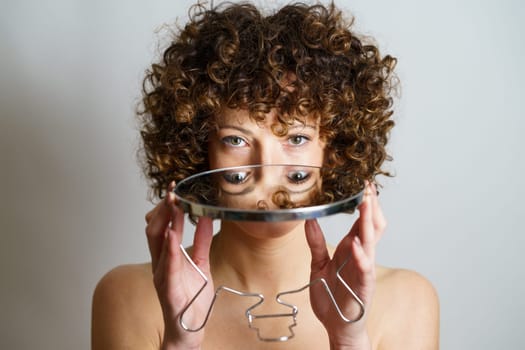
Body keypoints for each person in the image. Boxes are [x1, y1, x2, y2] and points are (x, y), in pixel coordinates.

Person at [91, 1, 439, 349]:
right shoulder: (128, 297)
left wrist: (348, 337)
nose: (266, 173)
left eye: (297, 138)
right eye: (236, 140)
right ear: (201, 152)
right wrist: (180, 340)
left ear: (332, 151)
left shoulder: (406, 301)